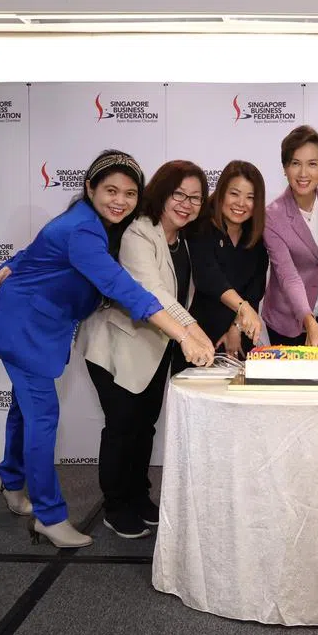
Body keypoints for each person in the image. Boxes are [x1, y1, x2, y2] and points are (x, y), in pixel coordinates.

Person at [0, 150, 215, 549]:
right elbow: (127, 291)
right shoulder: (84, 230)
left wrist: (13, 265)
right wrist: (185, 334)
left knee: (23, 408)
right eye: (110, 191)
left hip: (36, 325)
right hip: (25, 329)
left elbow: (37, 248)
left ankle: (12, 478)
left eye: (129, 193)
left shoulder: (96, 222)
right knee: (43, 417)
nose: (119, 200)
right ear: (89, 188)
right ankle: (49, 518)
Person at [75, 160, 213, 539]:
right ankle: (115, 504)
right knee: (122, 427)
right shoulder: (139, 232)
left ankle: (138, 494)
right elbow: (155, 293)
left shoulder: (182, 240)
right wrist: (193, 333)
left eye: (196, 198)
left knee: (144, 427)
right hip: (117, 347)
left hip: (156, 348)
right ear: (161, 192)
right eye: (179, 194)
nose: (186, 204)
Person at [262, 125, 318, 347]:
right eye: (295, 163)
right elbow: (288, 275)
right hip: (288, 319)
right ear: (285, 168)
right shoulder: (272, 216)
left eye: (312, 164)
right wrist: (308, 320)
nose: (303, 173)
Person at [187, 160, 268, 358]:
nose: (241, 203)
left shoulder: (256, 235)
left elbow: (255, 289)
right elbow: (208, 277)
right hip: (199, 335)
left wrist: (237, 327)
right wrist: (243, 309)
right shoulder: (200, 226)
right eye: (234, 194)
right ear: (222, 192)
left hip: (240, 338)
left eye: (250, 197)